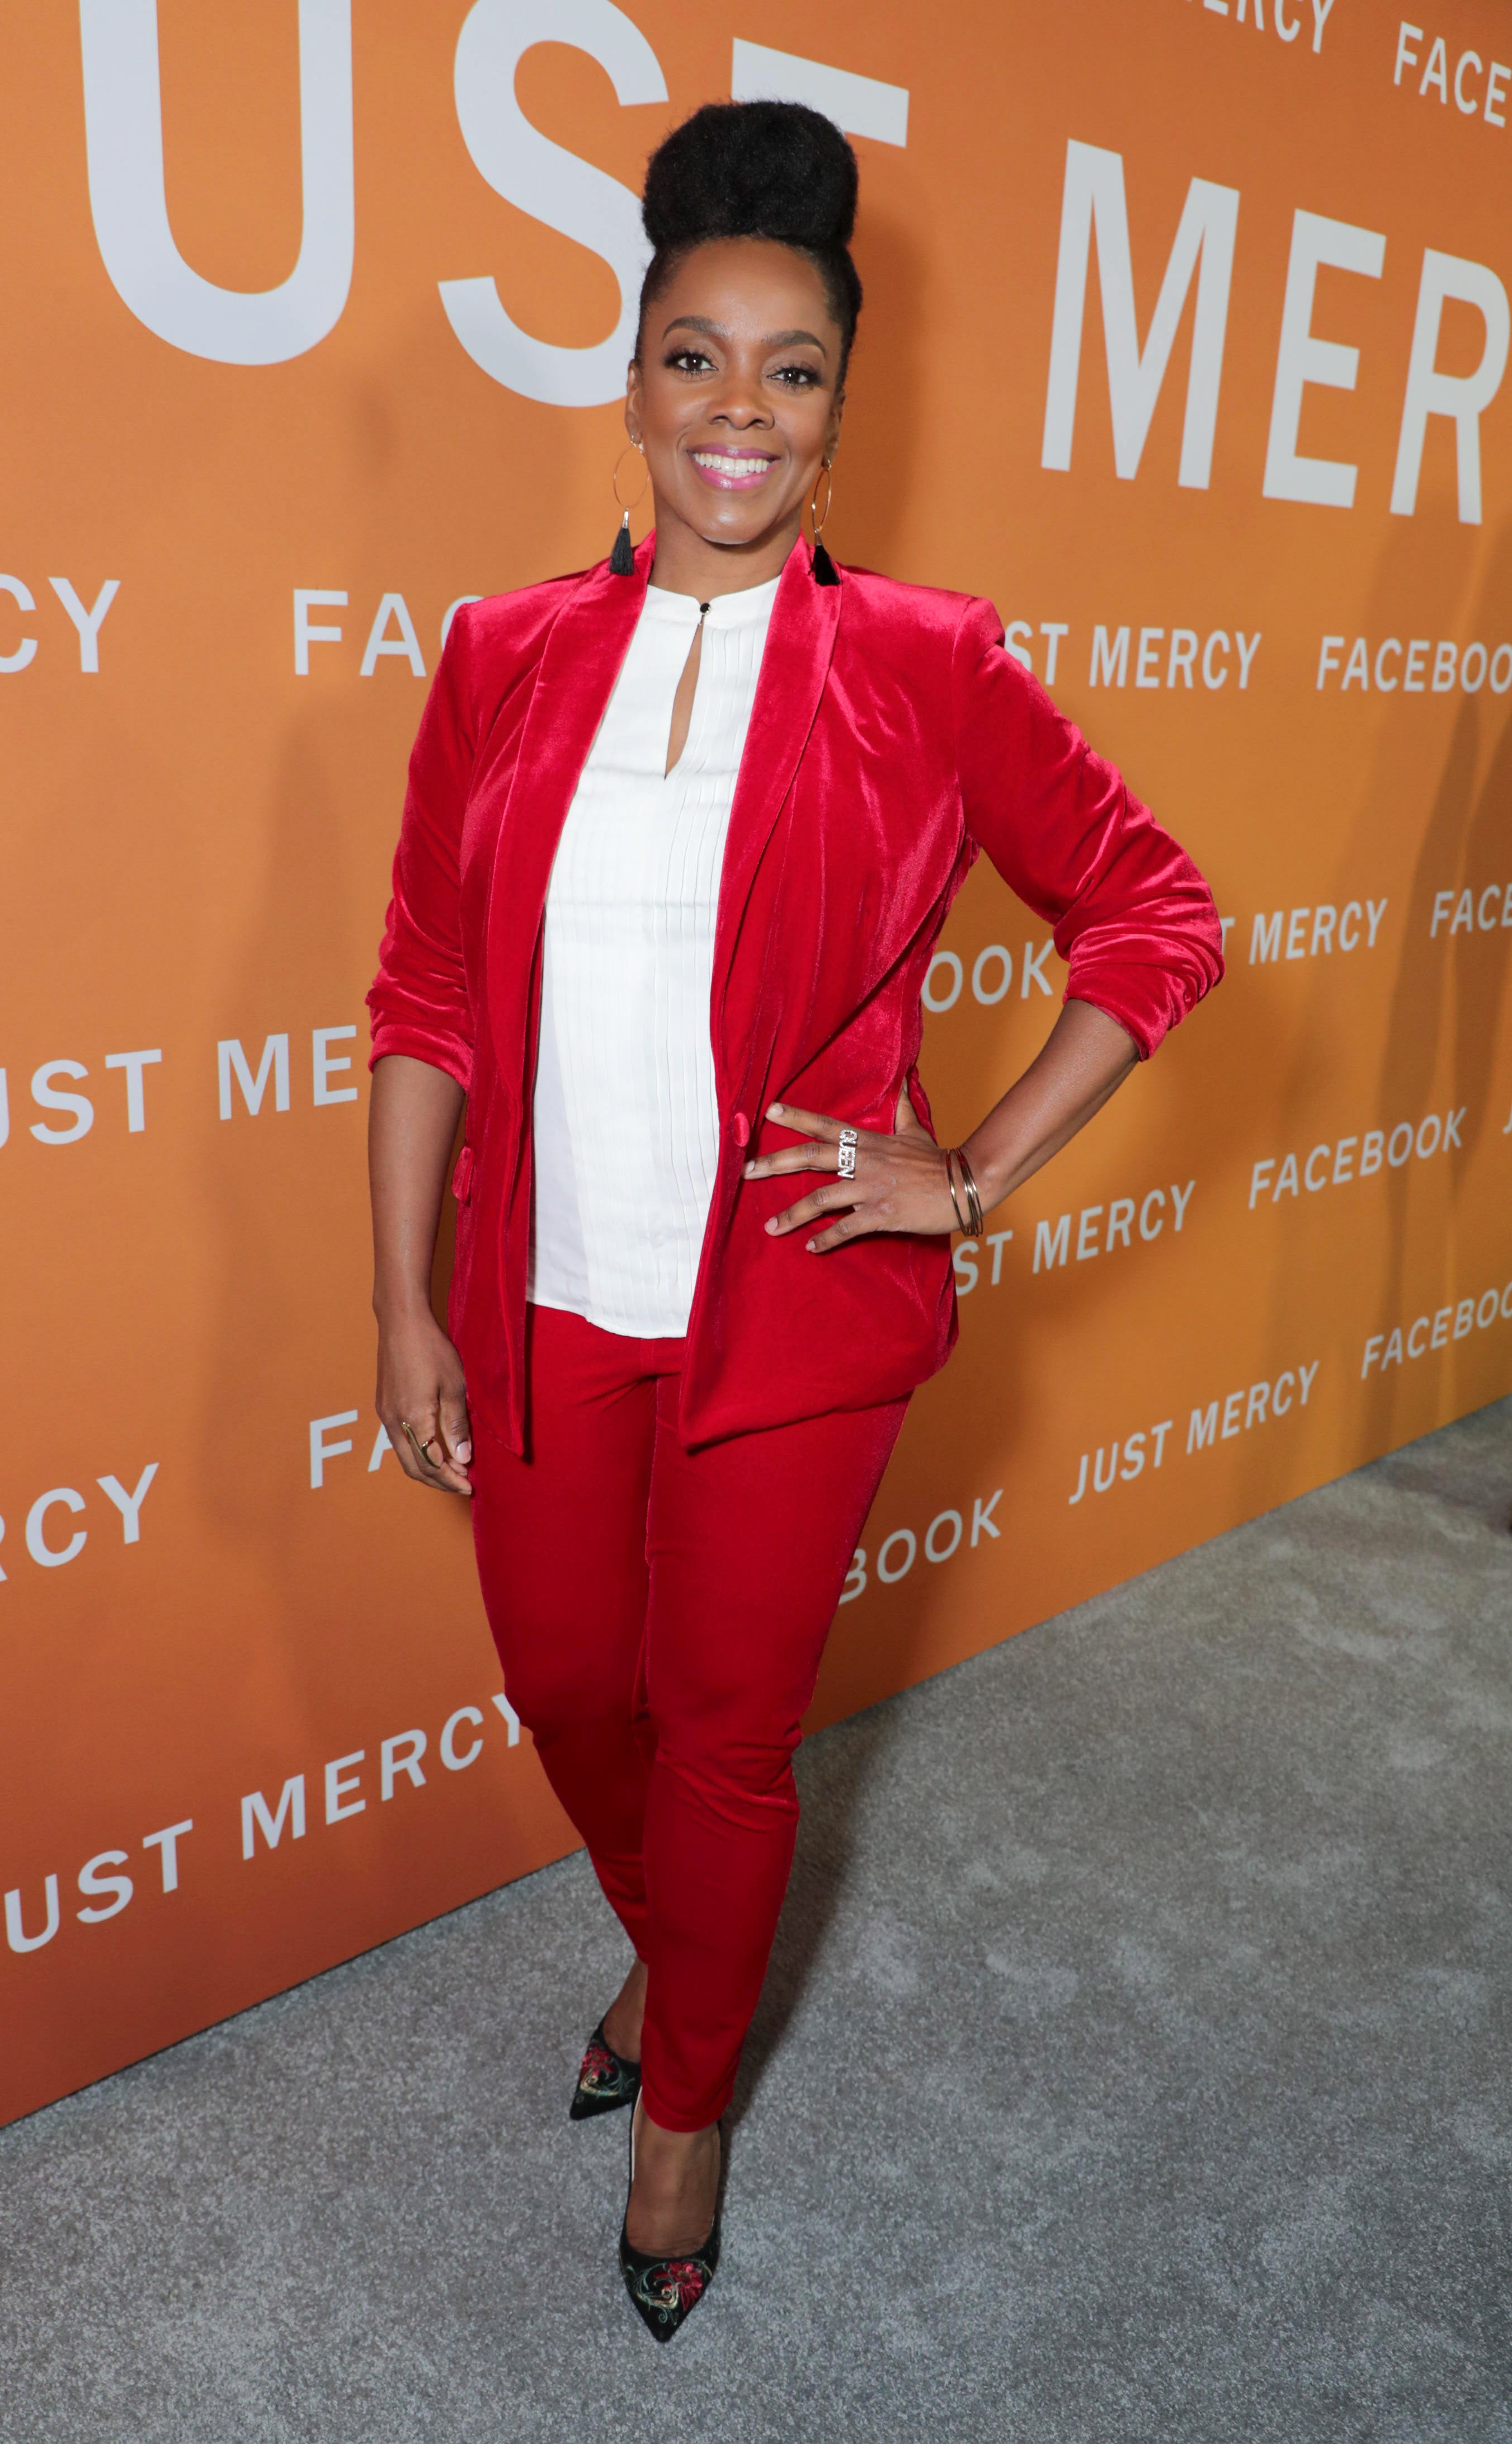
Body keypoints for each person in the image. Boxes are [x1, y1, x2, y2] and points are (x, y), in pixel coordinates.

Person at [366, 99, 1223, 2340]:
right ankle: (681, 1958)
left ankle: (687, 2110)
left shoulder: (927, 660)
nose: (735, 409)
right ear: (632, 382)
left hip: (795, 1312)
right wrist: (402, 1301)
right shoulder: (500, 652)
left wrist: (970, 1172)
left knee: (728, 1728)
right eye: (694, 357)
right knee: (571, 1684)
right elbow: (427, 991)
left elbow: (1154, 915)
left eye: (790, 367)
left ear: (841, 408)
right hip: (543, 1299)